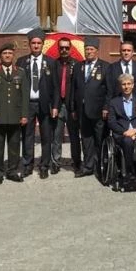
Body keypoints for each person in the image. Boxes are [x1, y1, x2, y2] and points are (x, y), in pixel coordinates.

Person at [0, 43, 29, 184]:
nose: (7, 55)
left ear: (13, 55)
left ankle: (12, 171)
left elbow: (25, 95)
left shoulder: (20, 72)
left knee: (14, 146)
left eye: (10, 53)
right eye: (5, 53)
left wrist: (24, 115)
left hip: (15, 116)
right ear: (0, 56)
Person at [17, 29, 60, 179]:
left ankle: (44, 166)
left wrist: (55, 106)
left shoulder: (51, 62)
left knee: (46, 136)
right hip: (27, 104)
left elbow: (56, 87)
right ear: (29, 44)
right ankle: (27, 165)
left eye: (38, 43)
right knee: (27, 136)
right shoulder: (22, 61)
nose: (36, 45)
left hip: (45, 105)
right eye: (33, 43)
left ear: (43, 44)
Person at [71, 37, 109, 177]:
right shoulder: (78, 66)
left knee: (100, 138)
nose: (88, 52)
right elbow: (73, 89)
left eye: (91, 49)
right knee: (86, 139)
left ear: (97, 51)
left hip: (99, 111)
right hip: (82, 110)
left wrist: (106, 107)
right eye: (86, 49)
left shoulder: (105, 66)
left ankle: (101, 165)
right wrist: (73, 108)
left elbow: (109, 90)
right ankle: (88, 166)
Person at [107, 74, 136, 187]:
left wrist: (135, 130)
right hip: (122, 133)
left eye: (128, 84)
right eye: (124, 84)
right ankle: (129, 171)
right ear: (120, 86)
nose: (126, 87)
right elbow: (111, 122)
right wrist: (125, 132)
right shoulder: (114, 102)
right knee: (127, 141)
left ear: (133, 85)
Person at [51, 37, 81, 173]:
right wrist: (53, 106)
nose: (64, 50)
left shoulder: (77, 65)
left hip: (71, 106)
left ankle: (76, 162)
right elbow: (53, 86)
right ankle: (55, 162)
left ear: (70, 49)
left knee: (74, 136)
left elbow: (78, 87)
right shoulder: (54, 64)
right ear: (58, 49)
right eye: (61, 48)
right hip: (58, 105)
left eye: (66, 48)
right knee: (56, 136)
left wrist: (75, 107)